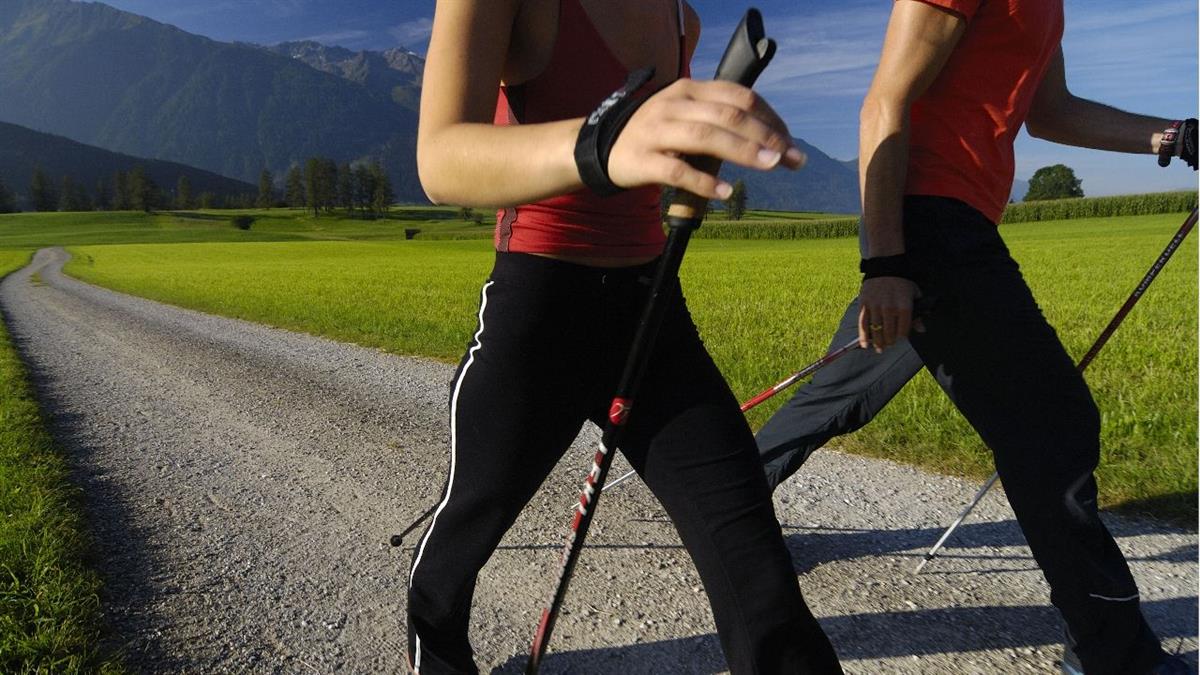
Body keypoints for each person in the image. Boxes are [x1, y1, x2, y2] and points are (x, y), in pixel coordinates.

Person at [754, 1, 1196, 674]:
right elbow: (884, 103)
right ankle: (1114, 654)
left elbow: (1048, 109)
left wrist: (1174, 134)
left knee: (844, 390)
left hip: (943, 226)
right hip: (931, 223)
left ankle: (734, 509)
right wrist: (887, 263)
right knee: (1051, 425)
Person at [407, 1, 843, 673]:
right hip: (539, 312)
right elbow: (440, 160)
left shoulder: (681, 18)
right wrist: (602, 140)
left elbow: (652, 151)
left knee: (759, 575)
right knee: (464, 536)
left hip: (652, 313)